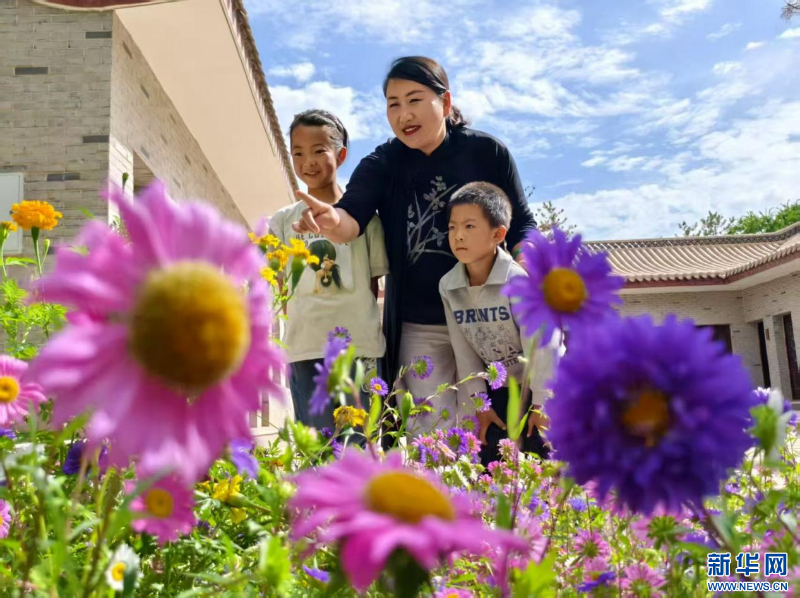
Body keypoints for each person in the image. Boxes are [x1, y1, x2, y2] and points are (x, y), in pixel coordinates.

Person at [291, 57, 537, 432]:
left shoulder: (488, 153)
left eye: (414, 100)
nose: (404, 114)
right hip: (419, 324)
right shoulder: (383, 163)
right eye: (393, 104)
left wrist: (531, 266)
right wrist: (331, 221)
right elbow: (349, 219)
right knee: (433, 434)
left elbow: (522, 224)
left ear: (445, 101)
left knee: (498, 426)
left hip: (487, 315)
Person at [269, 109, 389, 430]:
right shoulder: (282, 221)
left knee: (361, 441)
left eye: (318, 150)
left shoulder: (366, 220)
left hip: (360, 347)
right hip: (305, 347)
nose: (308, 161)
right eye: (298, 153)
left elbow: (372, 284)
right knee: (317, 447)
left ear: (341, 154)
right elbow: (280, 285)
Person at [439, 182, 552, 464]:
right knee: (493, 458)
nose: (458, 235)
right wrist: (480, 403)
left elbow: (543, 347)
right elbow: (464, 351)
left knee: (542, 458)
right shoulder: (449, 286)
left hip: (541, 384)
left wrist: (541, 403)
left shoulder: (517, 281)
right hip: (498, 389)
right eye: (452, 227)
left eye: (469, 226)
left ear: (498, 234)